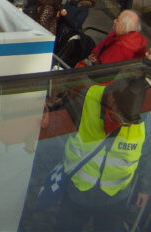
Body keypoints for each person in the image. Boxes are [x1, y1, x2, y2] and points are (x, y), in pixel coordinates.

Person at [55, 76, 150, 232]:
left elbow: (147, 152)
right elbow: (58, 123)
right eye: (118, 117)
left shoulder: (145, 115)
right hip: (78, 191)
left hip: (115, 196)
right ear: (111, 100)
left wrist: (144, 188)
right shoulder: (86, 98)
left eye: (127, 122)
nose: (122, 124)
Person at [55, 0, 95, 66]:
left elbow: (76, 24)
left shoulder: (83, 8)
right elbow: (63, 10)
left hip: (68, 34)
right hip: (60, 30)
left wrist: (66, 15)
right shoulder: (70, 2)